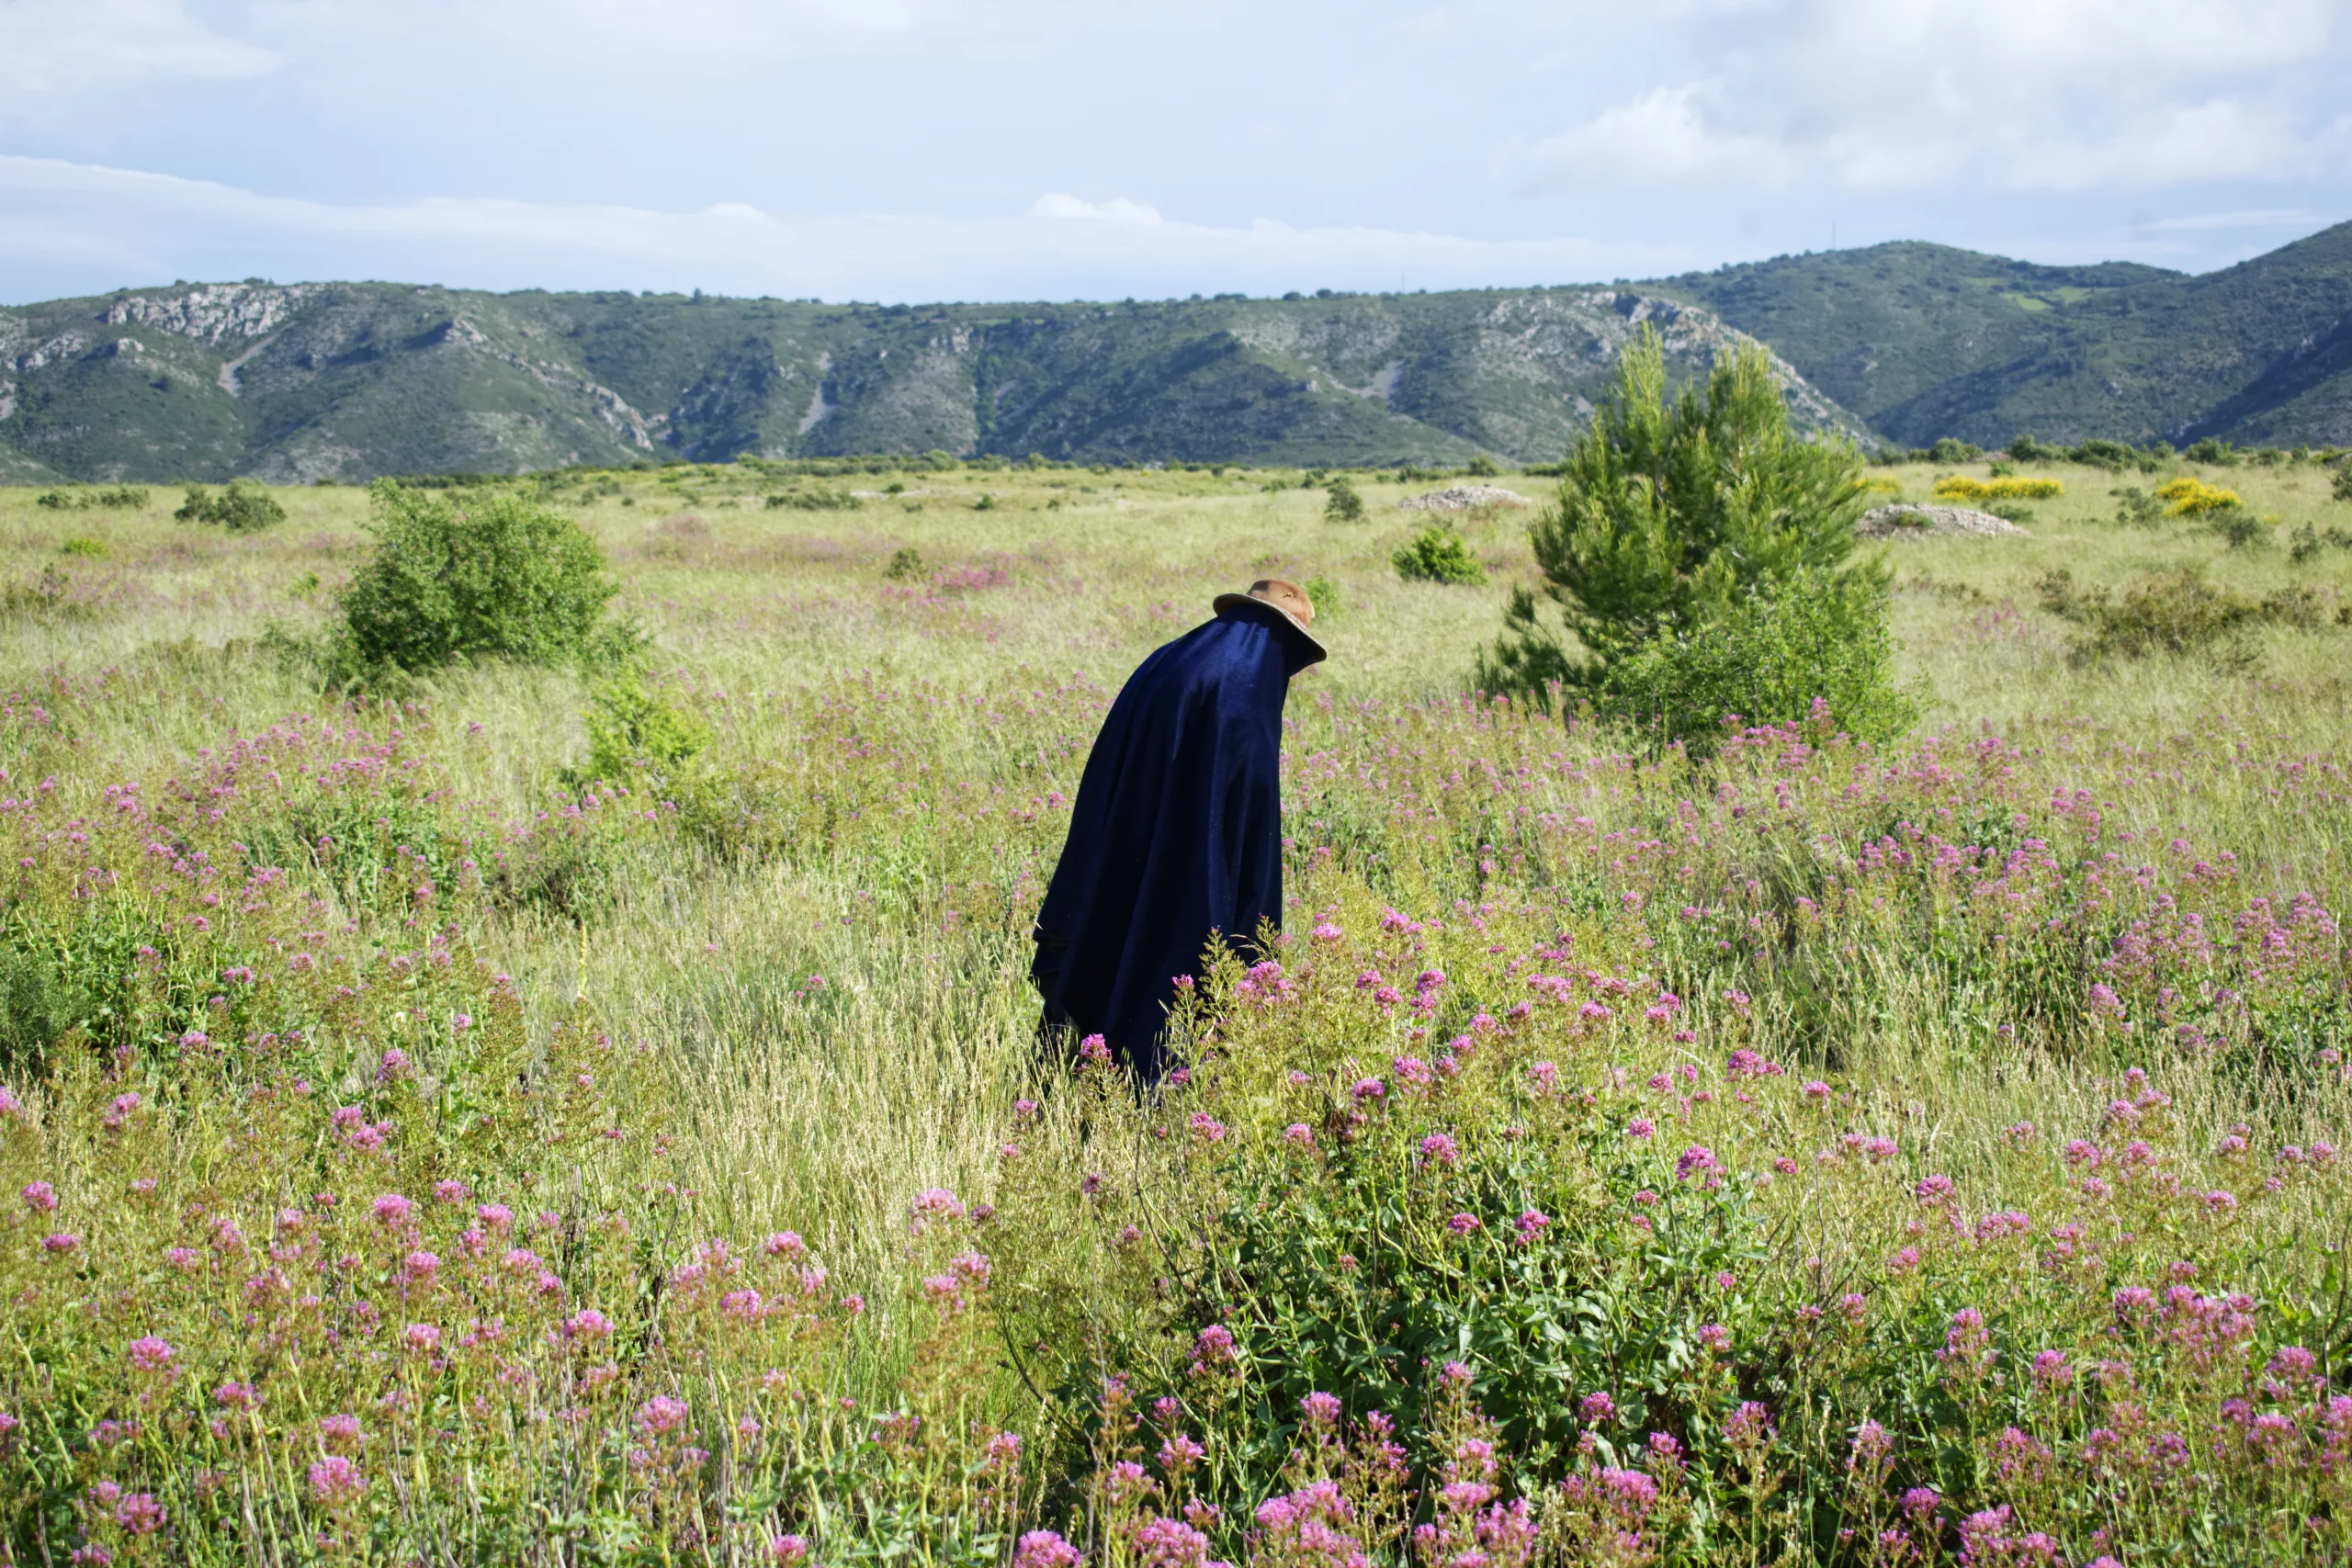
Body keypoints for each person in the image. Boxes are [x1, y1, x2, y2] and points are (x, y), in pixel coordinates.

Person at [1030, 579, 1327, 1079]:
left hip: (1122, 847)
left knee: (1113, 932)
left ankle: (1081, 1078)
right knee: (1168, 971)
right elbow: (1243, 831)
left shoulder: (1167, 659)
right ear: (1281, 640)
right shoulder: (1246, 690)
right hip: (1188, 877)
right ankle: (1148, 1091)